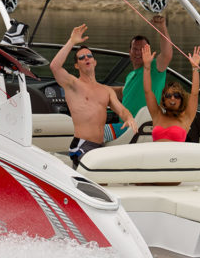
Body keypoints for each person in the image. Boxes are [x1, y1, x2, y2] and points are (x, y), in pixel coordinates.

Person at [50, 24, 138, 167]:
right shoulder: (72, 84)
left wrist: (129, 118)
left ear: (95, 62)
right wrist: (71, 41)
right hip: (82, 145)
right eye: (82, 57)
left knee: (104, 180)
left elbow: (121, 110)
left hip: (100, 145)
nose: (86, 58)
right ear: (77, 66)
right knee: (94, 177)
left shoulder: (106, 90)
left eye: (89, 56)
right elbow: (55, 67)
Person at [113, 14, 173, 137]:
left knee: (94, 131)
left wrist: (162, 28)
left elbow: (167, 54)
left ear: (149, 51)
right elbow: (125, 92)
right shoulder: (131, 75)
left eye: (142, 49)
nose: (138, 52)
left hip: (140, 128)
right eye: (135, 49)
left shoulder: (155, 68)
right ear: (129, 52)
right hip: (124, 127)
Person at [140, 42, 200, 142]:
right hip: (155, 157)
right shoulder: (157, 115)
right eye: (168, 95)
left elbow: (195, 93)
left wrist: (195, 68)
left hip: (176, 158)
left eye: (176, 95)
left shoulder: (186, 118)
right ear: (164, 99)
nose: (172, 98)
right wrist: (147, 66)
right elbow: (148, 91)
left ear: (182, 99)